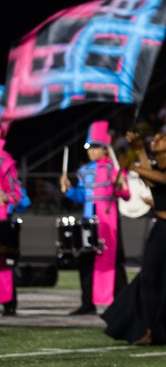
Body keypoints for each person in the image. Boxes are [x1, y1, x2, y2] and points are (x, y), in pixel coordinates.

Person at [102, 129, 166, 346]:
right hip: (162, 228)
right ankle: (149, 329)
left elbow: (164, 179)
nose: (155, 139)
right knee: (148, 278)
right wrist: (138, 150)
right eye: (154, 138)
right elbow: (153, 179)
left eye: (161, 138)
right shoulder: (152, 168)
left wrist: (133, 165)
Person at [61, 122, 130, 315]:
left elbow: (126, 195)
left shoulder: (114, 169)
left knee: (114, 263)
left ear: (105, 149)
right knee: (86, 262)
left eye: (95, 147)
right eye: (89, 148)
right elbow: (81, 197)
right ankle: (87, 303)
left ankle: (122, 302)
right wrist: (69, 190)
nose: (91, 152)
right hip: (88, 222)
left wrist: (122, 186)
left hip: (109, 223)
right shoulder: (84, 171)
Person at [0, 130, 28, 316]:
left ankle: (9, 302)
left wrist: (5, 196)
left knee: (2, 262)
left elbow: (16, 195)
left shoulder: (5, 161)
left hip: (1, 219)